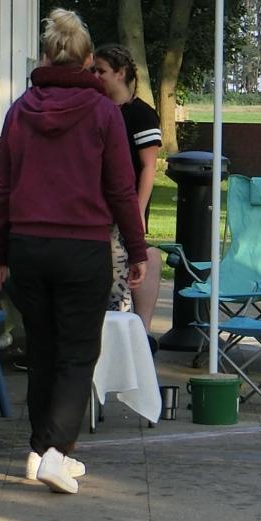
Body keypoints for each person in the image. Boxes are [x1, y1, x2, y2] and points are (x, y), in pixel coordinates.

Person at [0, 9, 147, 494]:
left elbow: (3, 188)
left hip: (28, 245)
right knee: (78, 352)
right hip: (82, 246)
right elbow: (120, 188)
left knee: (42, 350)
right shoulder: (102, 112)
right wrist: (137, 249)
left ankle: (40, 451)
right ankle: (56, 452)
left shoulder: (20, 110)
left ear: (45, 56)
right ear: (88, 59)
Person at [89, 43, 167, 328]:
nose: (95, 76)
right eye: (93, 70)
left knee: (132, 260)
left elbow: (148, 167)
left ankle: (138, 330)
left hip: (126, 203)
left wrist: (137, 210)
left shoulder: (141, 114)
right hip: (97, 204)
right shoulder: (94, 110)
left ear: (120, 73)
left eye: (101, 71)